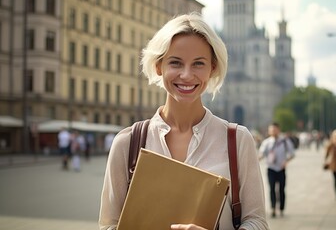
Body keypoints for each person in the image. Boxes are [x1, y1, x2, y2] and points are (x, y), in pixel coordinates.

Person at [99, 13, 268, 230]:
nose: (187, 75)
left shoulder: (237, 140)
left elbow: (257, 222)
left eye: (198, 63)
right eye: (176, 63)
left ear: (212, 68)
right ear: (159, 66)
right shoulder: (127, 143)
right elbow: (108, 225)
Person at [259, 122, 295, 218]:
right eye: (271, 130)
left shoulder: (285, 141)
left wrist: (286, 161)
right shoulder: (266, 142)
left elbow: (292, 154)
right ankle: (273, 208)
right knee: (272, 189)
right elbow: (261, 154)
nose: (273, 131)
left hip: (281, 168)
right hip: (271, 168)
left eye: (275, 129)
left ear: (278, 130)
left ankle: (282, 208)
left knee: (282, 189)